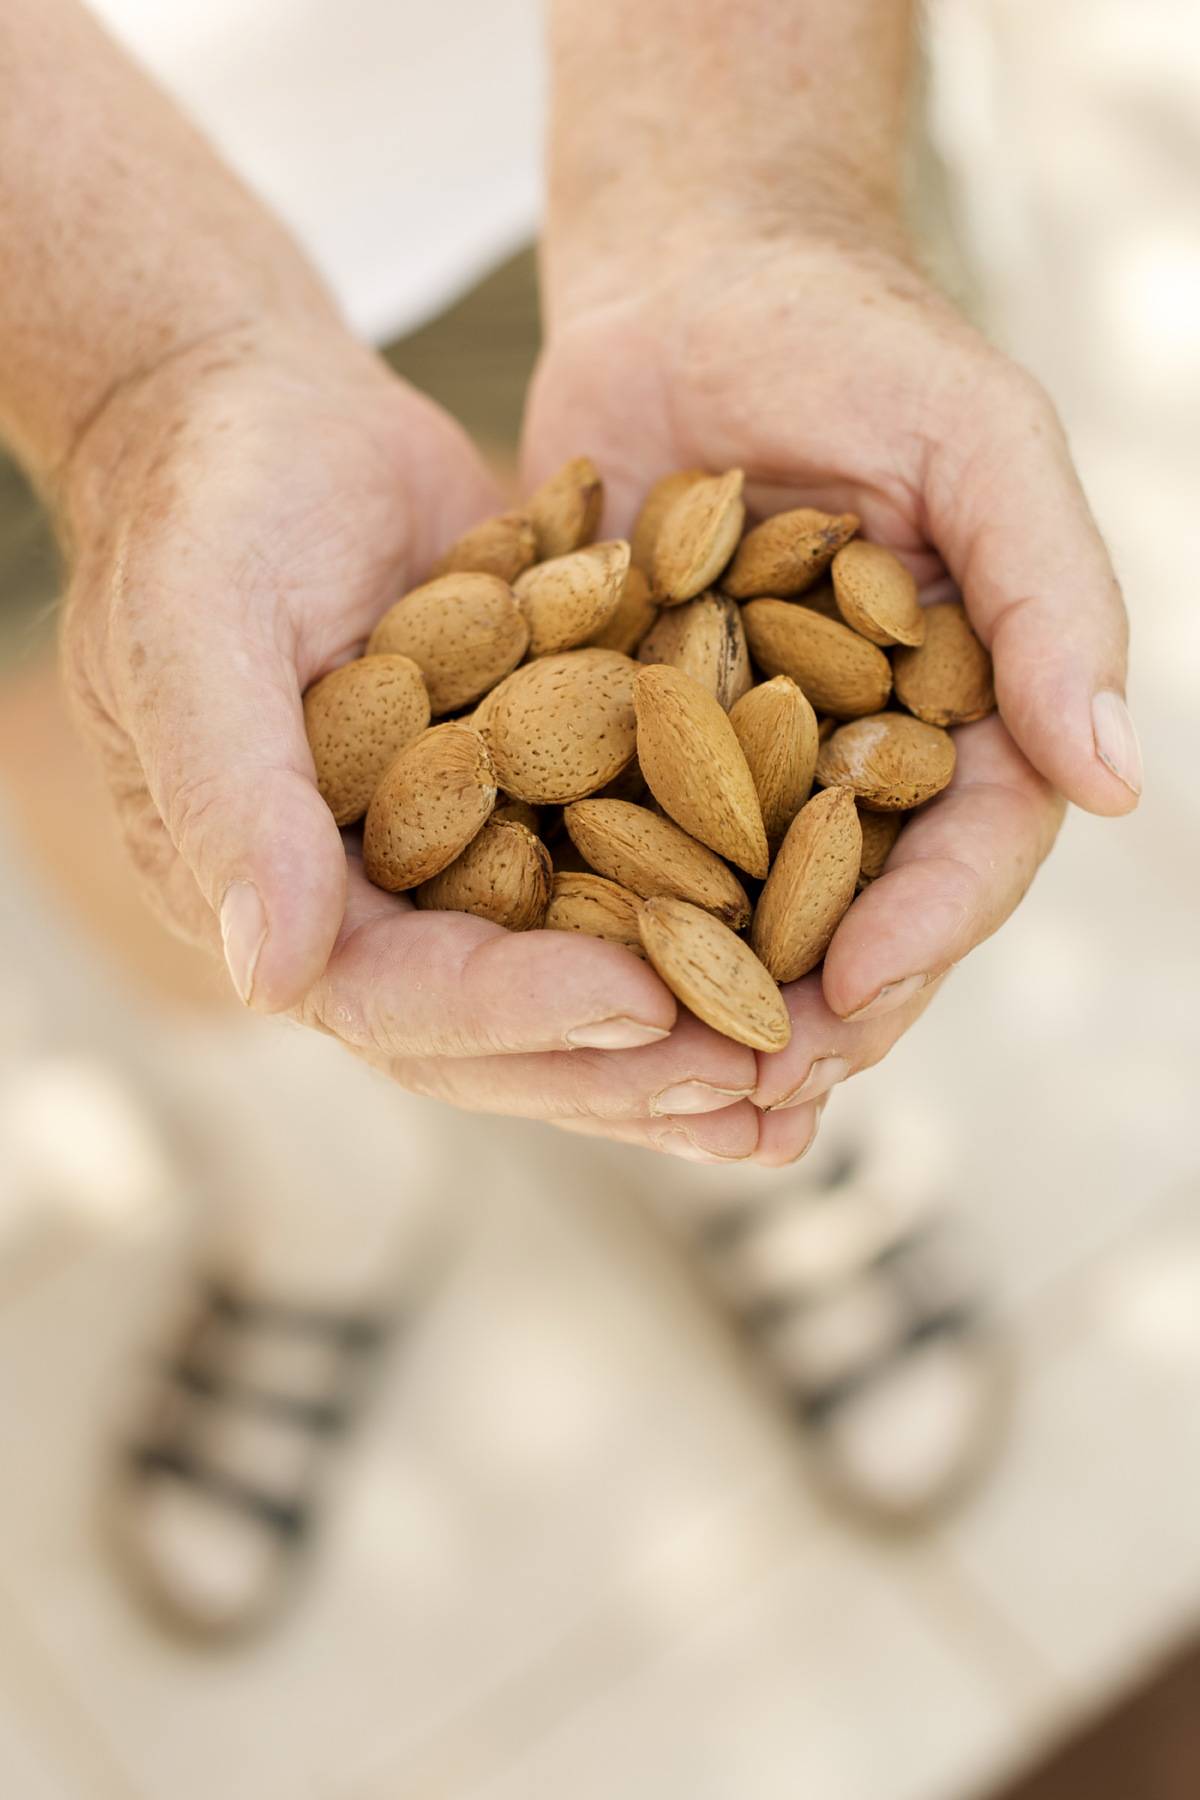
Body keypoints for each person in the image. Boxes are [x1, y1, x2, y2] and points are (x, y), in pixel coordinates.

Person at [0, 0, 1140, 1636]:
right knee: (123, 743)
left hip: (605, 95)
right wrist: (135, 380)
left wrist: (749, 175)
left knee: (726, 972)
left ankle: (758, 1154)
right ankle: (325, 1212)